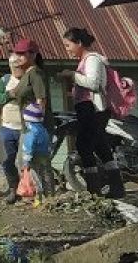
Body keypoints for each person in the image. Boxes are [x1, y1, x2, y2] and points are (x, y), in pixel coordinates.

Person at [58, 27, 125, 198]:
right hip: (87, 109)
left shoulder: (92, 60)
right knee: (100, 146)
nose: (67, 49)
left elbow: (95, 84)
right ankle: (115, 188)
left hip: (94, 110)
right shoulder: (84, 61)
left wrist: (72, 75)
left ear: (79, 43)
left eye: (68, 45)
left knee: (84, 145)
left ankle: (94, 189)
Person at [0, 52, 27, 204]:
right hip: (7, 125)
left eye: (19, 66)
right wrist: (10, 95)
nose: (17, 69)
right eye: (14, 66)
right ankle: (13, 189)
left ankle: (27, 190)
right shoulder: (5, 80)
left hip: (24, 126)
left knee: (24, 161)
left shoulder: (28, 79)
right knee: (7, 160)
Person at [19, 103, 53, 206]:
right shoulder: (43, 130)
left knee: (36, 178)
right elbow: (49, 142)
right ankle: (50, 197)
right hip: (45, 155)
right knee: (46, 175)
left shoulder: (31, 132)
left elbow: (29, 147)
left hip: (35, 157)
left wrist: (26, 160)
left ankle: (39, 199)